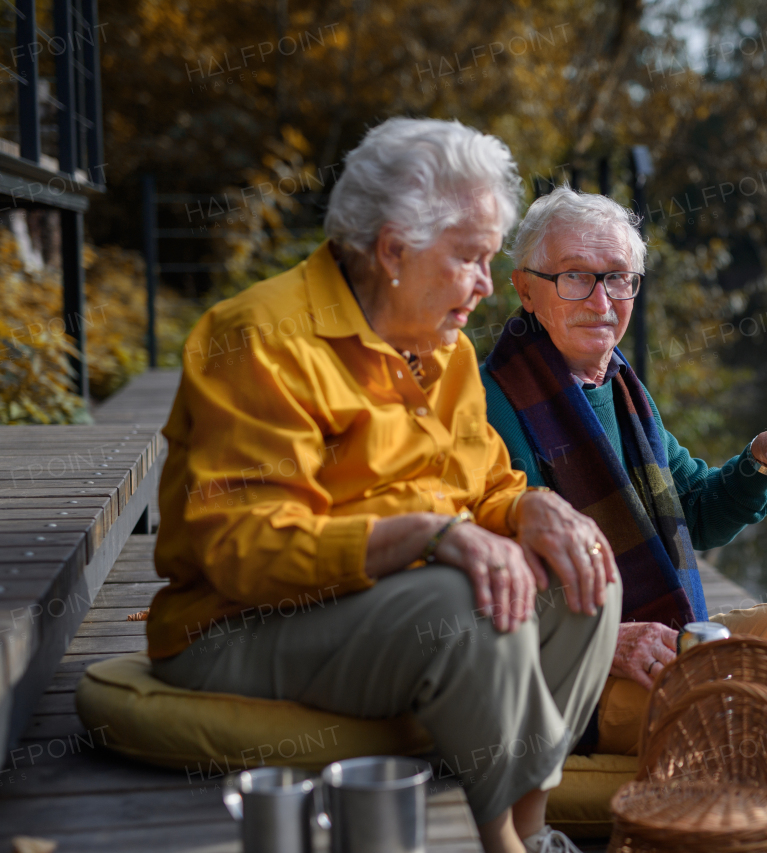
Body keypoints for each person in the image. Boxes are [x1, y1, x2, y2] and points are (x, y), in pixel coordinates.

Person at [146, 120, 619, 853]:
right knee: (465, 602)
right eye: (470, 258)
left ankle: (535, 831)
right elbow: (246, 551)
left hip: (385, 608)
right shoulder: (258, 338)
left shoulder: (447, 349)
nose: (486, 285)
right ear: (394, 250)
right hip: (234, 623)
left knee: (587, 569)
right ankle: (499, 843)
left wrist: (533, 506)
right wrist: (428, 535)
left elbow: (485, 482)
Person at [481, 188, 767, 784]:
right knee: (743, 716)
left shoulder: (622, 389)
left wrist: (758, 462)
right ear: (527, 289)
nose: (602, 300)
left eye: (619, 278)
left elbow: (696, 509)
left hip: (666, 641)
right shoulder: (484, 402)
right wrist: (602, 637)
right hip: (562, 672)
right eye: (575, 278)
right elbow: (471, 577)